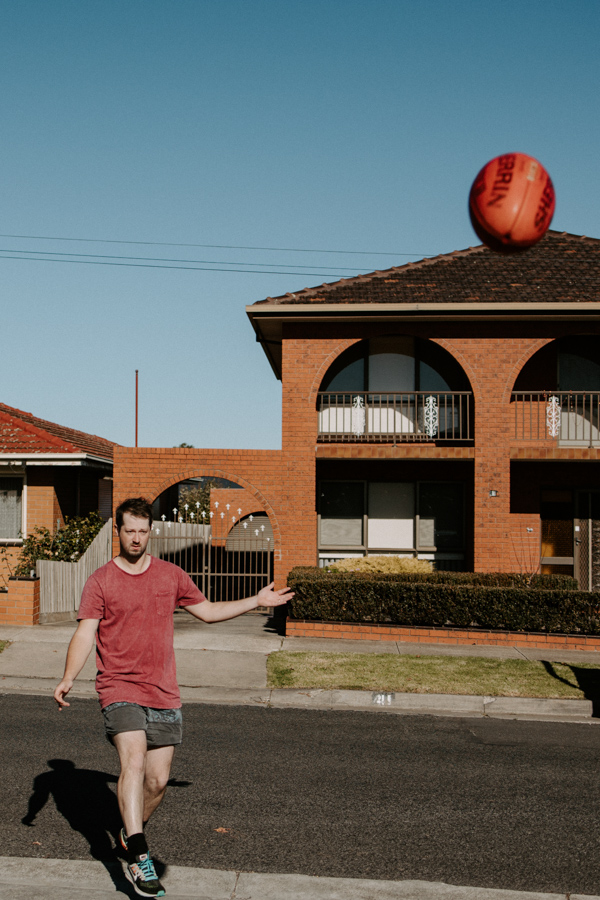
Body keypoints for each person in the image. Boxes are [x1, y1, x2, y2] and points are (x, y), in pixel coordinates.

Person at [54, 497, 293, 898]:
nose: (136, 538)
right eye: (129, 530)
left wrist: (257, 601)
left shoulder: (171, 575)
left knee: (158, 780)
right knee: (132, 761)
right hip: (119, 687)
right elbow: (85, 632)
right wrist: (67, 678)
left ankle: (130, 836)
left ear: (151, 532)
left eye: (143, 531)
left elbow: (209, 611)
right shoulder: (101, 580)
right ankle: (140, 854)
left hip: (163, 690)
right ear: (119, 531)